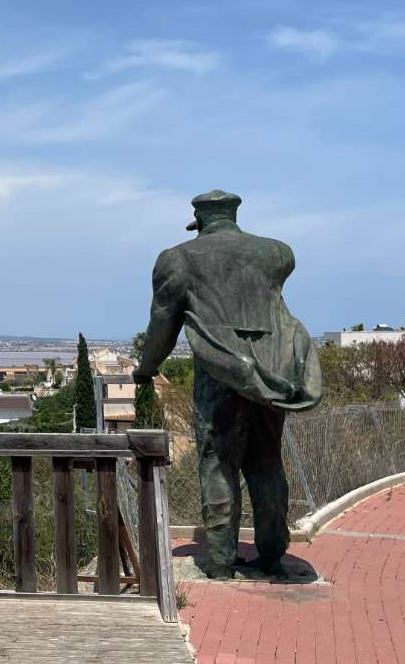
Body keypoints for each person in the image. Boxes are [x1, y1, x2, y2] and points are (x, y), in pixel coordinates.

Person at [132, 190, 322, 578]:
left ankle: (220, 560)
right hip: (272, 373)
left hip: (217, 376)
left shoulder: (178, 259)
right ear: (233, 215)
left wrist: (145, 369)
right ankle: (272, 555)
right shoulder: (276, 253)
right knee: (267, 463)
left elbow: (163, 325)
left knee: (218, 463)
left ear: (199, 220)